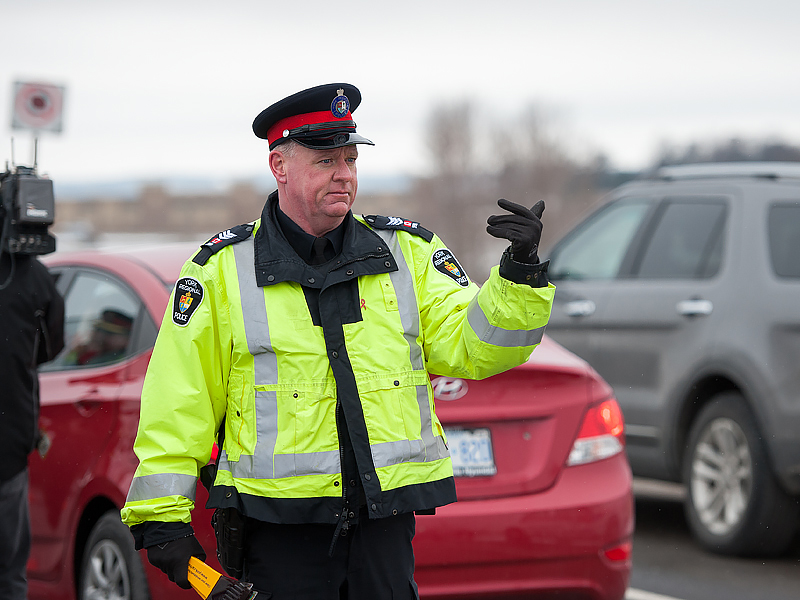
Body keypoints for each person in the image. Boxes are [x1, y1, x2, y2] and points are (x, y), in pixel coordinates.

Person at [121, 82, 555, 599]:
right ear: (279, 166)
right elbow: (179, 401)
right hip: (279, 534)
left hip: (383, 527)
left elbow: (479, 348)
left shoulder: (408, 253)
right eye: (326, 160)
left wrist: (519, 275)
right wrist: (163, 519)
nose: (344, 174)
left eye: (350, 159)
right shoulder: (220, 272)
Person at [0, 248, 64, 600]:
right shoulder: (30, 275)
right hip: (9, 445)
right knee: (9, 573)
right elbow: (52, 344)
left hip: (10, 445)